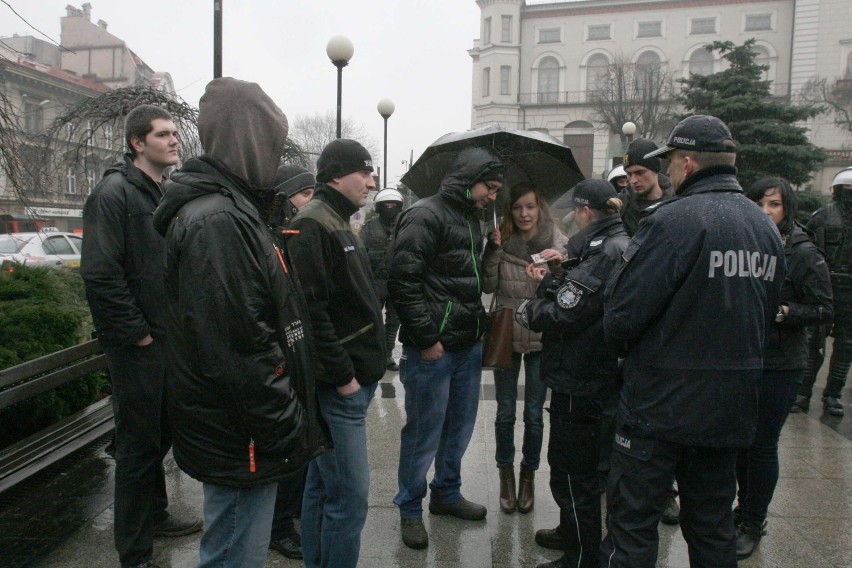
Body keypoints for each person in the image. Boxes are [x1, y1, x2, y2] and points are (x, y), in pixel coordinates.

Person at [152, 78, 325, 568]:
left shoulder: (236, 211)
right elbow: (239, 350)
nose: (274, 154)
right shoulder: (218, 221)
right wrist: (284, 424)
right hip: (241, 434)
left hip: (243, 429)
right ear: (249, 140)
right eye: (270, 140)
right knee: (234, 552)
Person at [601, 115, 786, 567]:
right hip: (728, 409)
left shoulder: (674, 220)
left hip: (658, 408)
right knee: (711, 526)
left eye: (669, 164)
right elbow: (765, 314)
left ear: (686, 163)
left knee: (632, 526)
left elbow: (622, 315)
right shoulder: (765, 228)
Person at [80, 104, 202, 568]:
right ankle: (134, 552)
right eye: (163, 134)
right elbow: (101, 276)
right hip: (138, 347)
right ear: (137, 143)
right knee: (137, 447)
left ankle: (156, 513)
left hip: (166, 340)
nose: (174, 140)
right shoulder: (113, 194)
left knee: (159, 435)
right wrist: (138, 336)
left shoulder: (160, 192)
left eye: (174, 133)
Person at [388, 146, 506, 550]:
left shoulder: (474, 221)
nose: (493, 195)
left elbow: (471, 282)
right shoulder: (425, 214)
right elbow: (403, 282)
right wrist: (426, 339)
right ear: (469, 180)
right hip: (434, 349)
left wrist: (490, 247)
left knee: (459, 427)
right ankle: (409, 508)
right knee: (423, 432)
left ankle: (447, 493)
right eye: (489, 187)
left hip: (467, 344)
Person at [516, 179, 629, 568]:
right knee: (577, 467)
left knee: (572, 473)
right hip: (595, 375)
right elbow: (581, 299)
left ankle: (581, 555)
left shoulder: (600, 253)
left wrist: (528, 311)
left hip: (581, 378)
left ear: (585, 213)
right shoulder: (617, 243)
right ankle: (571, 533)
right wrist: (554, 277)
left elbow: (566, 314)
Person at [286, 138, 387, 568]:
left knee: (322, 489)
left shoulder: (338, 218)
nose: (370, 180)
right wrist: (344, 376)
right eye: (362, 172)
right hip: (339, 386)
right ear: (335, 175)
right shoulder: (314, 223)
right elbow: (311, 311)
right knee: (349, 499)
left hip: (350, 381)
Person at [736, 177, 833, 558]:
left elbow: (825, 308)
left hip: (781, 362)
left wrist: (786, 312)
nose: (765, 212)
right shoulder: (746, 245)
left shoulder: (804, 253)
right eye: (759, 203)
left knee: (761, 444)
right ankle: (743, 509)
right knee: (741, 442)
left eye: (773, 205)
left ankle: (753, 520)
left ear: (786, 209)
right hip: (745, 357)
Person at [481, 182, 566, 515]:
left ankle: (528, 475)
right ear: (510, 211)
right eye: (517, 207)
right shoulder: (500, 238)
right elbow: (488, 286)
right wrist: (492, 251)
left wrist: (558, 266)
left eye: (530, 206)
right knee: (504, 412)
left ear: (540, 208)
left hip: (542, 336)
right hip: (506, 333)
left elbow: (567, 290)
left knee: (534, 414)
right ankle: (506, 475)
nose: (524, 213)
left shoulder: (557, 243)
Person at [266, 164, 317, 561]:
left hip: (298, 351)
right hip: (278, 358)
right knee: (286, 442)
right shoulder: (270, 240)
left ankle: (292, 511)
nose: (310, 201)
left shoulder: (293, 237)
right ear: (284, 199)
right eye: (304, 194)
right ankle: (279, 525)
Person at [791, 167, 852, 417]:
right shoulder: (822, 216)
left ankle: (833, 395)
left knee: (846, 345)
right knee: (814, 341)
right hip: (823, 285)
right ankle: (802, 392)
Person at [361, 187, 405, 371]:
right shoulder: (368, 227)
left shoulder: (404, 226)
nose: (390, 207)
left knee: (394, 321)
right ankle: (371, 355)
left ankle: (387, 355)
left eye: (393, 204)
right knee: (372, 321)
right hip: (374, 282)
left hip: (397, 282)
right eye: (386, 204)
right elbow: (360, 254)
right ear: (379, 207)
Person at [618, 137, 672, 237]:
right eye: (629, 174)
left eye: (640, 172)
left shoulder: (677, 201)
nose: (633, 180)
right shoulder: (620, 207)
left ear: (655, 169)